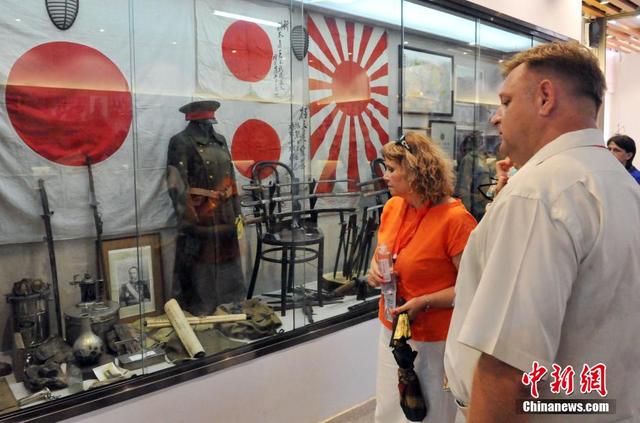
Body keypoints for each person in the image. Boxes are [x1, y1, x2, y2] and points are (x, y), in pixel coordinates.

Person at [444, 41, 640, 422]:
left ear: (545, 97)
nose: (495, 118)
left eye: (506, 102)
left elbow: (506, 369)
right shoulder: (622, 185)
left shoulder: (539, 194)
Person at [367, 131, 477, 422]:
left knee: (430, 415)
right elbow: (383, 253)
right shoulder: (393, 207)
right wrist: (374, 272)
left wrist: (425, 301)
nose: (386, 176)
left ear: (415, 171)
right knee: (389, 408)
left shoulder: (456, 220)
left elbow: (472, 288)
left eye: (392, 169)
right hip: (392, 328)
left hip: (434, 339)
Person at [166, 100, 246, 316]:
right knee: (202, 267)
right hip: (201, 215)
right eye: (205, 122)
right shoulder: (180, 142)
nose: (209, 126)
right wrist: (190, 220)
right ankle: (201, 307)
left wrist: (237, 212)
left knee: (228, 263)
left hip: (225, 211)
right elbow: (177, 186)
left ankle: (232, 303)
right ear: (197, 121)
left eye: (210, 122)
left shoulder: (220, 141)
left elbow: (231, 177)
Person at [454, 132, 493, 221]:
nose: (482, 142)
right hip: (475, 211)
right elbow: (464, 189)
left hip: (485, 208)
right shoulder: (470, 159)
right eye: (480, 140)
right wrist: (466, 215)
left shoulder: (485, 158)